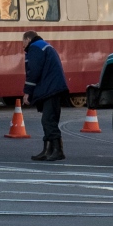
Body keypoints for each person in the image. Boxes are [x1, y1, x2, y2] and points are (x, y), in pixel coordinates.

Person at [23, 30, 69, 162]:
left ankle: (57, 151)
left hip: (51, 88)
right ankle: (48, 150)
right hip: (53, 87)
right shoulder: (44, 45)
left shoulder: (35, 48)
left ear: (27, 39)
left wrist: (28, 92)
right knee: (49, 119)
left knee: (48, 120)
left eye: (22, 42)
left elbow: (33, 71)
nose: (22, 46)